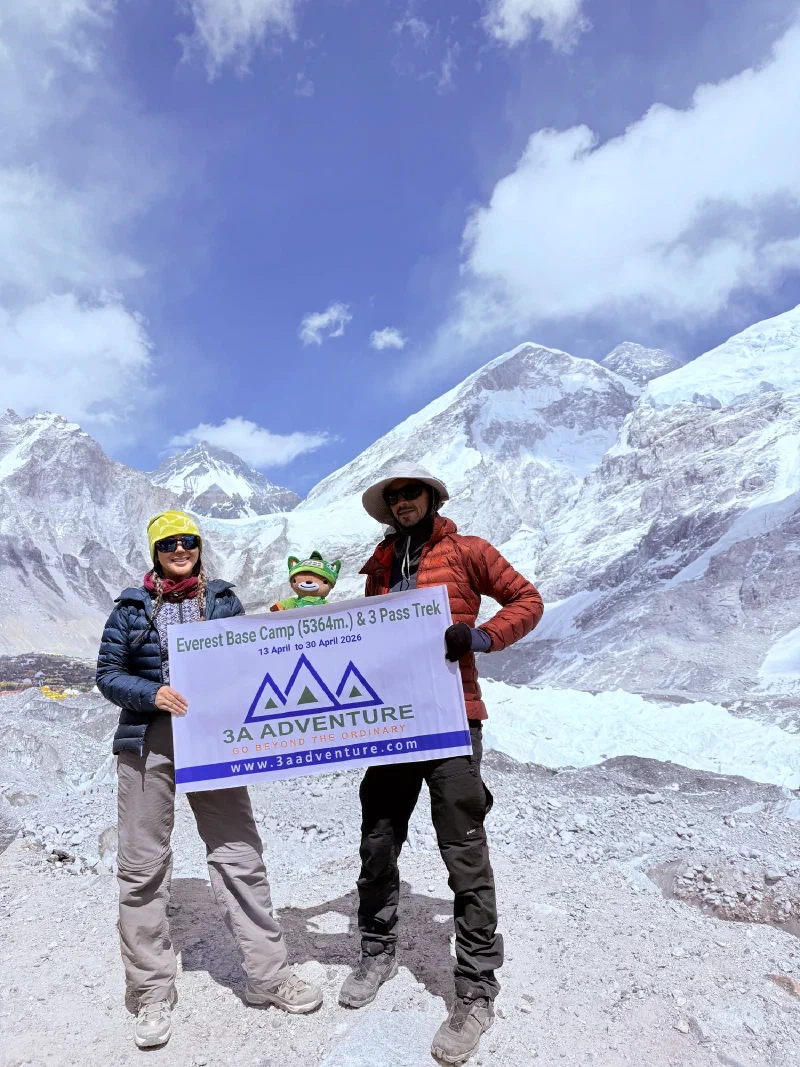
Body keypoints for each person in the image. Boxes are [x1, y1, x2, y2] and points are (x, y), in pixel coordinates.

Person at [339, 467, 543, 1065]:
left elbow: (527, 600)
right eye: (393, 496)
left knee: (464, 848)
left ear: (431, 498)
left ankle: (476, 990)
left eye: (412, 493)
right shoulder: (378, 565)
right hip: (390, 724)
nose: (403, 502)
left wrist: (480, 638)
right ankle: (376, 951)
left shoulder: (468, 551)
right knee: (377, 840)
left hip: (453, 717)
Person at [96, 510, 322, 1050]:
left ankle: (267, 975)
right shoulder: (131, 609)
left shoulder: (221, 600)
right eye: (170, 543)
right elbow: (107, 673)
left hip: (217, 739)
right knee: (143, 864)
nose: (181, 549)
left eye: (189, 541)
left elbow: (247, 660)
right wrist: (150, 694)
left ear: (199, 546)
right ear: (155, 550)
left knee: (238, 852)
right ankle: (150, 992)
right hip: (149, 739)